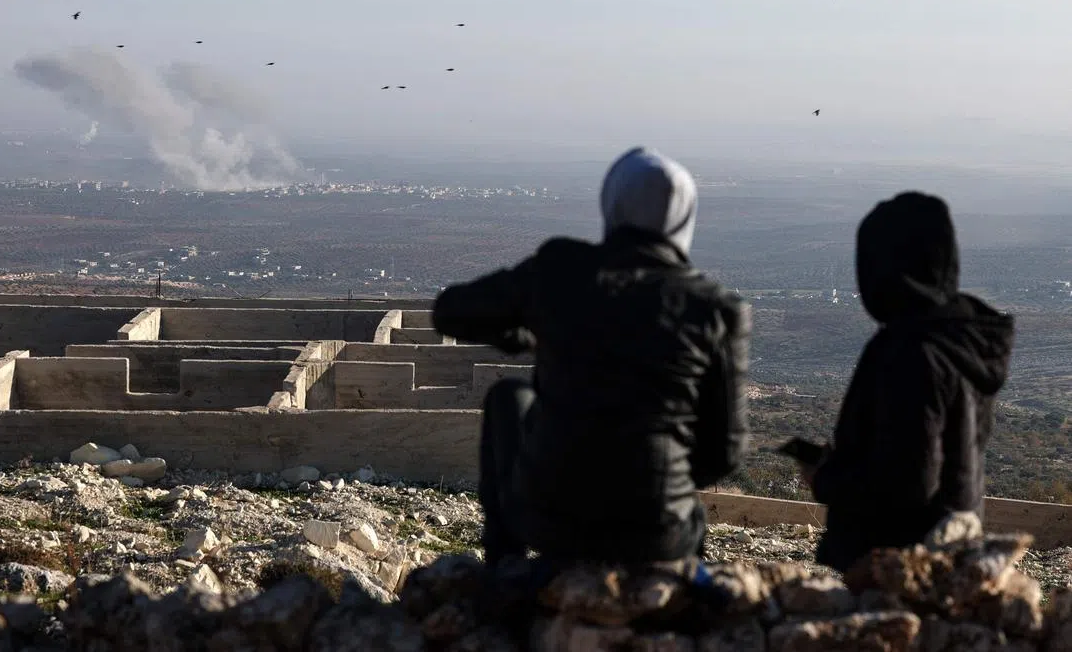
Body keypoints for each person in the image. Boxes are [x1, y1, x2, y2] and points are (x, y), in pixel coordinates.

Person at [431, 147, 751, 569]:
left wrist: (529, 332)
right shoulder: (716, 308)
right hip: (658, 531)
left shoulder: (561, 270)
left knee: (509, 397)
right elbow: (725, 451)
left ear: (612, 203)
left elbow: (451, 311)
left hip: (551, 520)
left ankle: (504, 569)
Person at [805, 191, 1015, 572]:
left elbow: (907, 482)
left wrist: (828, 477)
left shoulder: (911, 352)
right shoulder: (961, 339)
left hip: (896, 566)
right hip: (951, 553)